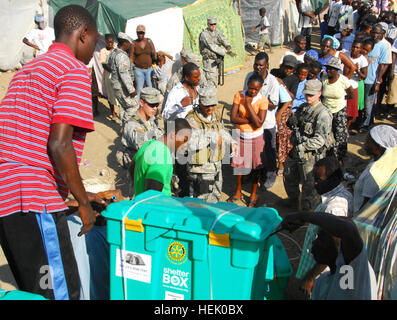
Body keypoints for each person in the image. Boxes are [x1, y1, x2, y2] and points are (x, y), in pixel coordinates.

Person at [0, 4, 99, 300]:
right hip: (34, 197)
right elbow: (59, 143)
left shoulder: (26, 72)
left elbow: (24, 145)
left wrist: (70, 192)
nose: (94, 50)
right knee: (61, 293)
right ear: (83, 35)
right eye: (94, 42)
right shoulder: (73, 70)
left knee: (35, 294)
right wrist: (83, 204)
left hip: (7, 201)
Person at [281, 211, 377, 300]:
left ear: (339, 244)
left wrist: (302, 216)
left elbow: (348, 230)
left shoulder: (354, 273)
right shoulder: (326, 281)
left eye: (322, 239)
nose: (314, 242)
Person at [295, 156, 354, 296]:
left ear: (332, 180)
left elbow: (332, 250)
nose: (315, 183)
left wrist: (311, 277)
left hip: (321, 272)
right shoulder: (336, 194)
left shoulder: (335, 208)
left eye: (319, 180)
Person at [283, 79, 334, 211]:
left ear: (319, 93)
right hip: (296, 150)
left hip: (310, 155)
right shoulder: (304, 107)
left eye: (311, 95)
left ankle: (307, 212)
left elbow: (320, 140)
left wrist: (301, 147)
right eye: (306, 94)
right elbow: (296, 123)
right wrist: (292, 121)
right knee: (289, 175)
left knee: (308, 186)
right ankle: (293, 201)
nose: (308, 97)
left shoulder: (322, 113)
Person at [185, 87, 237, 203]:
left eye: (212, 105)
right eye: (207, 105)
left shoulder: (215, 115)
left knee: (215, 198)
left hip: (216, 166)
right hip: (200, 170)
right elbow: (191, 144)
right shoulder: (191, 120)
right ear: (200, 103)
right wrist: (211, 137)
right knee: (201, 204)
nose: (210, 108)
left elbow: (221, 130)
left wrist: (231, 142)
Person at [229, 74, 268, 207]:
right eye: (250, 88)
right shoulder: (238, 95)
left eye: (256, 89)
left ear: (260, 88)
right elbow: (233, 118)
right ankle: (238, 191)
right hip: (239, 135)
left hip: (255, 137)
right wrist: (252, 119)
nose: (252, 91)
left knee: (255, 167)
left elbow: (259, 124)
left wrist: (248, 105)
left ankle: (253, 193)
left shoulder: (263, 100)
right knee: (238, 165)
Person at [243, 52, 280, 191]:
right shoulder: (249, 76)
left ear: (267, 66)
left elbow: (274, 104)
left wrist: (258, 102)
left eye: (260, 65)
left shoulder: (273, 82)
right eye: (255, 64)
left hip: (266, 123)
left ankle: (269, 176)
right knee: (250, 149)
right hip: (250, 122)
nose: (257, 67)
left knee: (268, 151)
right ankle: (250, 174)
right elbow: (246, 94)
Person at [129, 118, 192, 197]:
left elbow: (132, 168)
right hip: (153, 207)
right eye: (184, 140)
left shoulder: (148, 144)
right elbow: (152, 196)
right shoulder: (162, 155)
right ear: (173, 135)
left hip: (141, 202)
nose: (186, 145)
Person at [117, 87, 164, 173]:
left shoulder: (152, 118)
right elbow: (146, 149)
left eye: (157, 105)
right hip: (139, 165)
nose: (155, 108)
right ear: (141, 103)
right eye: (152, 105)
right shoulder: (132, 125)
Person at [353, 125, 397, 213]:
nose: (364, 143)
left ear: (378, 147)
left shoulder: (374, 175)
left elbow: (366, 208)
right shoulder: (385, 162)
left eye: (368, 141)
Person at [321, 56, 354, 162]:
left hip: (339, 110)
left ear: (337, 70)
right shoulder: (324, 79)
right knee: (327, 133)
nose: (329, 70)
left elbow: (351, 94)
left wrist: (342, 100)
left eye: (331, 68)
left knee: (340, 135)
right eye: (327, 68)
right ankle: (330, 155)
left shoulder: (343, 80)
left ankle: (341, 157)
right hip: (326, 111)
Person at [361, 24, 390, 131]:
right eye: (374, 32)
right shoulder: (366, 42)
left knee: (369, 104)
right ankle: (360, 121)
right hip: (361, 78)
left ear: (381, 34)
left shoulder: (382, 47)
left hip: (372, 79)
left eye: (377, 33)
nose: (375, 35)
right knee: (361, 103)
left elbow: (383, 65)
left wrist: (378, 81)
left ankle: (367, 124)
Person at [109, 32, 137, 127]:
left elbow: (109, 65)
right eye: (129, 43)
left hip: (115, 84)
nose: (130, 46)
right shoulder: (122, 56)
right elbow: (124, 74)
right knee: (133, 105)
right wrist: (131, 90)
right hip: (122, 86)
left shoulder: (113, 52)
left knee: (123, 106)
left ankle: (123, 126)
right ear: (125, 43)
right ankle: (126, 126)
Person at [199, 16, 232, 87]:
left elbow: (222, 38)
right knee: (210, 79)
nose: (213, 26)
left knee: (215, 78)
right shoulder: (204, 34)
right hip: (209, 60)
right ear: (208, 24)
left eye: (215, 24)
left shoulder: (216, 31)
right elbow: (212, 46)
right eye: (211, 24)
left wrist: (227, 45)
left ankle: (213, 94)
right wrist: (224, 51)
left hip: (216, 59)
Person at [346, 39, 368, 134]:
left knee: (351, 112)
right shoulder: (346, 55)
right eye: (353, 47)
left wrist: (356, 70)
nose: (354, 49)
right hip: (344, 85)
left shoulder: (363, 60)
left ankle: (347, 129)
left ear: (361, 49)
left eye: (357, 47)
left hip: (354, 86)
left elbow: (364, 76)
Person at [129, 25, 157, 100]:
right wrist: (131, 68)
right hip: (138, 70)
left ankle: (151, 104)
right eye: (139, 33)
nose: (140, 35)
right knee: (139, 89)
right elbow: (131, 57)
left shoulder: (149, 41)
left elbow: (154, 53)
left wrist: (155, 64)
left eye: (142, 33)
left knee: (150, 88)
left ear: (144, 33)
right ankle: (138, 107)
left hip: (149, 69)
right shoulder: (134, 43)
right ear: (136, 33)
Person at [99, 33, 119, 120]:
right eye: (108, 42)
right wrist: (113, 70)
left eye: (111, 42)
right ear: (106, 42)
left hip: (118, 75)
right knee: (110, 94)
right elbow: (104, 65)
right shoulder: (103, 51)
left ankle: (121, 113)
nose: (110, 44)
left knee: (119, 94)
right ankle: (113, 113)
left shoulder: (117, 50)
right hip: (109, 74)